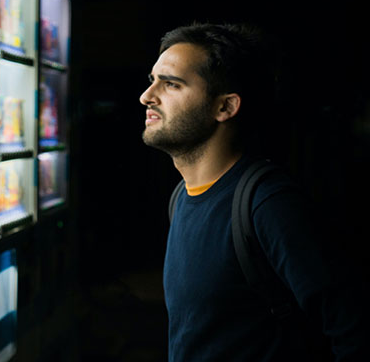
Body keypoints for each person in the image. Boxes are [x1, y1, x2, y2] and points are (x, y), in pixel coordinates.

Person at [139, 23, 368, 361]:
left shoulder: (269, 204)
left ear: (225, 107)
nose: (147, 96)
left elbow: (355, 333)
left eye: (171, 84)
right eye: (152, 81)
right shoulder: (182, 197)